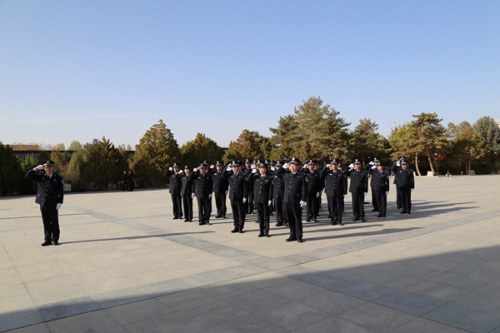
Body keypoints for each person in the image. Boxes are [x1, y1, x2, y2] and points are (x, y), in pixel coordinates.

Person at [26, 160, 64, 246]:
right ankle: (47, 239)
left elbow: (61, 191)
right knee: (46, 221)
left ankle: (55, 239)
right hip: (43, 202)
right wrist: (35, 168)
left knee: (54, 221)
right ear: (44, 168)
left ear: (53, 168)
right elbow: (28, 175)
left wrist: (60, 202)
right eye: (46, 167)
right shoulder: (41, 176)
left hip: (53, 202)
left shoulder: (57, 178)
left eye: (50, 167)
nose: (48, 169)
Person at [275, 157, 307, 243]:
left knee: (297, 219)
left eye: (294, 165)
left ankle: (299, 236)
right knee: (290, 219)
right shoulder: (286, 175)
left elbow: (304, 188)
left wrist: (303, 199)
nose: (292, 167)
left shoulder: (301, 176)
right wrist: (283, 167)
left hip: (296, 200)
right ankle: (292, 235)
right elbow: (277, 173)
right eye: (291, 165)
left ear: (298, 167)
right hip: (286, 200)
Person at [248, 162, 274, 237]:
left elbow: (270, 190)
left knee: (266, 216)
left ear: (266, 169)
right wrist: (251, 173)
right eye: (260, 168)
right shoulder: (256, 178)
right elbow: (248, 182)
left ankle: (266, 231)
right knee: (260, 216)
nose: (262, 170)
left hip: (265, 200)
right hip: (258, 199)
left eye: (263, 168)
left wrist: (270, 199)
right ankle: (261, 231)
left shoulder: (269, 178)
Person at [319, 158, 347, 225]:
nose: (334, 166)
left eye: (335, 165)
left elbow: (344, 183)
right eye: (332, 164)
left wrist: (344, 192)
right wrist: (325, 167)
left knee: (338, 207)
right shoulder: (328, 172)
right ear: (331, 165)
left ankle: (339, 220)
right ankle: (333, 220)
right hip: (330, 192)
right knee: (331, 207)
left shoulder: (341, 173)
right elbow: (321, 174)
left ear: (337, 165)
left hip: (338, 192)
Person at [226, 161, 248, 233]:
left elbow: (245, 187)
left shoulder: (242, 175)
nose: (234, 168)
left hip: (240, 196)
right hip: (232, 196)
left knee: (240, 212)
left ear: (238, 168)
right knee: (235, 212)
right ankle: (236, 226)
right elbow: (222, 177)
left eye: (235, 167)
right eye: (233, 167)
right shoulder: (230, 175)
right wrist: (226, 168)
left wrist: (245, 196)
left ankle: (240, 227)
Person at [272, 161, 286, 227]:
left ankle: (285, 220)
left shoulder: (285, 174)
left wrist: (282, 169)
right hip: (276, 193)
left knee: (284, 208)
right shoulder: (275, 173)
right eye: (277, 166)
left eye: (279, 166)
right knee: (278, 208)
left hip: (283, 193)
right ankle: (279, 220)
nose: (278, 168)